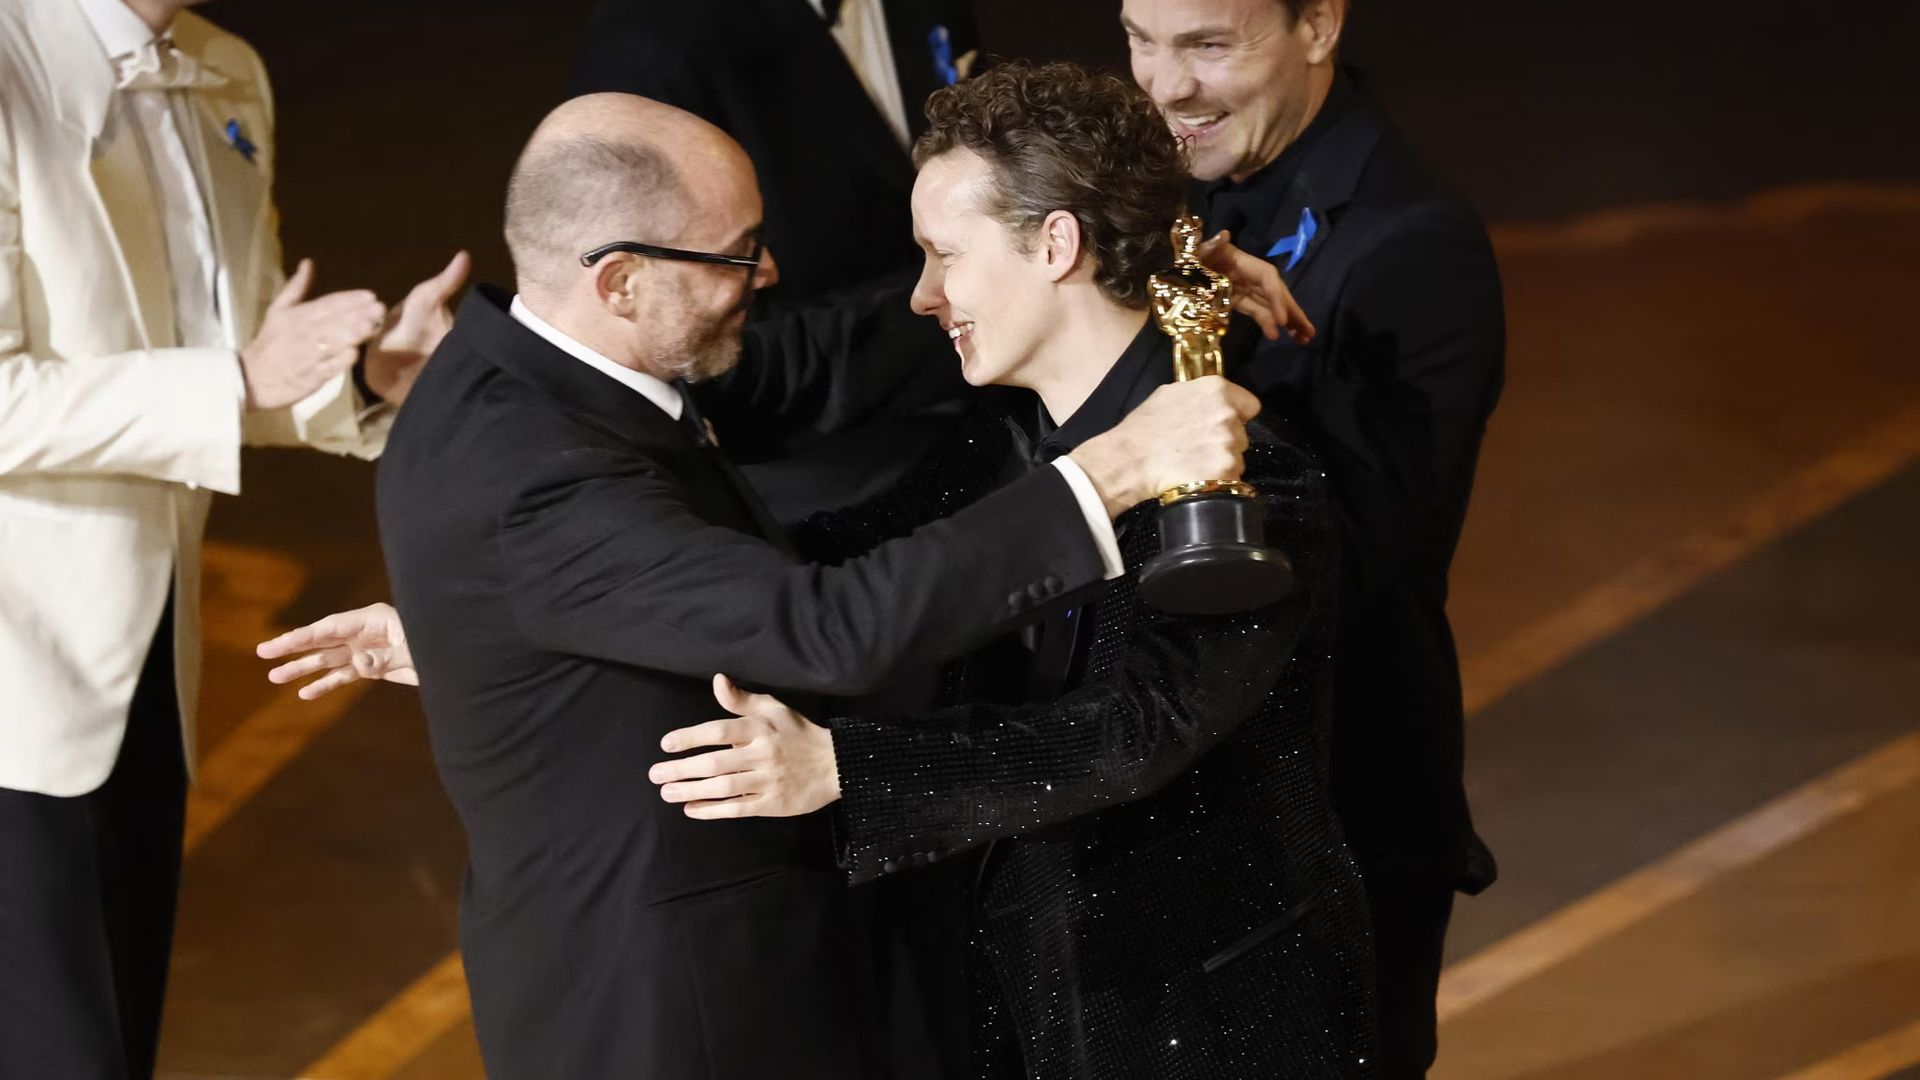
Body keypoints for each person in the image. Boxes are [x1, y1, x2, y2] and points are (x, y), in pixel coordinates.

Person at [367, 91, 1261, 1079]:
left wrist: (487, 634)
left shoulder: (489, 379)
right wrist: (1108, 473)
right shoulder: (538, 476)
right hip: (680, 1016)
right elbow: (826, 625)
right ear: (619, 280)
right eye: (741, 251)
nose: (770, 273)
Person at [650, 61, 1378, 1080]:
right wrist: (569, 604)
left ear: (1057, 244)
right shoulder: (1007, 435)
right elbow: (838, 563)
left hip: (1204, 1025)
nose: (921, 295)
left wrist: (842, 769)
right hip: (1028, 1000)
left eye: (944, 255)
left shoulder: (1245, 473)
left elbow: (1135, 731)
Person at [0, 0, 464, 1074]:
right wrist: (238, 377)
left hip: (142, 673)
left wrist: (363, 374)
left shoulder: (225, 69)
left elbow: (245, 361)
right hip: (15, 687)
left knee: (113, 1039)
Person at [1123, 1, 1508, 1072]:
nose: (1165, 86)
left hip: (1325, 814)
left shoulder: (1413, 243)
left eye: (1208, 44)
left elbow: (1376, 561)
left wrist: (1178, 381)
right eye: (1140, 40)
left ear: (1320, 25)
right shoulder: (1162, 194)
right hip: (1173, 792)